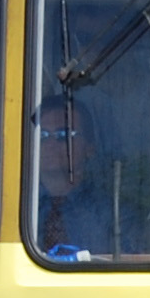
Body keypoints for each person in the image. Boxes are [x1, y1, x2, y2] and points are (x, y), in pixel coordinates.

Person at [28, 97, 122, 260]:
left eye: (63, 135)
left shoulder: (114, 215)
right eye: (42, 136)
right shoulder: (10, 212)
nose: (50, 144)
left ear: (89, 148)